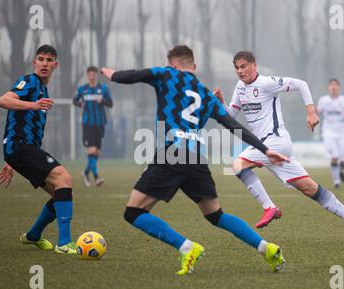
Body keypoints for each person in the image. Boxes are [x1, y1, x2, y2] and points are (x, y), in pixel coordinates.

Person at [101, 45, 289, 275]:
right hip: (196, 159)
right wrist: (265, 149)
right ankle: (266, 247)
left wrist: (108, 72)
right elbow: (233, 126)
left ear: (173, 64)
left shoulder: (166, 74)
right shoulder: (204, 93)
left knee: (133, 212)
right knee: (216, 215)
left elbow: (130, 76)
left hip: (172, 154)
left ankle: (186, 247)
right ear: (194, 66)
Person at [213, 51, 344, 244]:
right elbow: (230, 116)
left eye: (243, 66)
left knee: (237, 165)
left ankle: (269, 207)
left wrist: (310, 112)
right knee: (310, 189)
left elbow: (301, 84)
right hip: (267, 147)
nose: (240, 71)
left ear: (254, 66)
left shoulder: (267, 83)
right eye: (236, 68)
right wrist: (220, 104)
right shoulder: (240, 87)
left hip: (275, 141)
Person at [0, 45, 76, 254]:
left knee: (61, 193)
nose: (44, 63)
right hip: (19, 147)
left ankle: (33, 235)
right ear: (35, 62)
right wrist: (32, 105)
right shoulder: (30, 81)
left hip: (21, 150)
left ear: (55, 65)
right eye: (40, 59)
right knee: (64, 178)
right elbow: (3, 100)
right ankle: (64, 243)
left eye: (49, 60)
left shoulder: (43, 90)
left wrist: (9, 161)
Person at [73, 66, 113, 187]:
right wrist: (80, 103)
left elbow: (111, 103)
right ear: (87, 75)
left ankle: (85, 173)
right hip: (87, 124)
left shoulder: (104, 89)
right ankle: (96, 177)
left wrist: (103, 101)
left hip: (100, 123)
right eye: (89, 75)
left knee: (97, 152)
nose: (91, 77)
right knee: (91, 150)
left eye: (93, 74)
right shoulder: (82, 89)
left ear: (96, 75)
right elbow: (74, 101)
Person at [317, 79, 344, 188]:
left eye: (335, 85)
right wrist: (315, 112)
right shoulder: (323, 100)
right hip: (328, 131)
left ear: (339, 87)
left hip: (341, 131)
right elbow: (317, 112)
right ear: (328, 88)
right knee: (335, 156)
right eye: (331, 85)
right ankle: (336, 182)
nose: (333, 87)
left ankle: (339, 171)